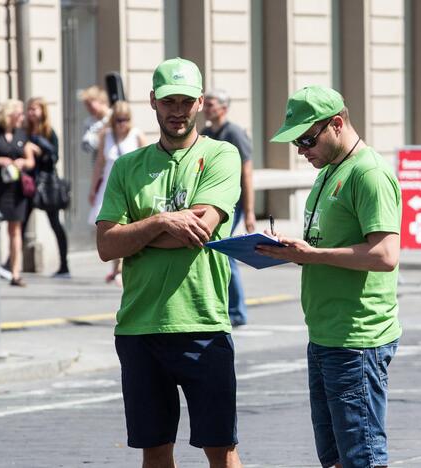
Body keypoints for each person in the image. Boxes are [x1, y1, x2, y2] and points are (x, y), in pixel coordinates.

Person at [95, 57, 243, 467]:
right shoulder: (128, 166)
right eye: (168, 101)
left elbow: (201, 229)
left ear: (200, 103)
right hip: (139, 327)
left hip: (203, 323)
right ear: (153, 103)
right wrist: (161, 221)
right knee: (155, 451)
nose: (176, 110)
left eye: (185, 101)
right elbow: (106, 245)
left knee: (222, 451)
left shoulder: (220, 155)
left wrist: (137, 235)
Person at [259, 85, 401, 468]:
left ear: (336, 125)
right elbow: (326, 244)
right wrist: (294, 250)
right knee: (336, 459)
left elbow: (386, 255)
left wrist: (313, 254)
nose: (302, 151)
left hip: (356, 339)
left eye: (307, 139)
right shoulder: (328, 172)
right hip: (325, 335)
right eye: (296, 143)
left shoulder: (368, 173)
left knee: (362, 458)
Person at [201, 89, 254, 327]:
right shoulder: (205, 133)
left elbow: (247, 173)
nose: (207, 108)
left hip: (233, 202)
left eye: (211, 104)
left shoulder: (234, 133)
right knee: (212, 250)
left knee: (225, 251)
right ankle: (219, 305)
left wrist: (250, 212)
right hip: (212, 199)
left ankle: (236, 311)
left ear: (223, 108)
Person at [88, 101, 145, 285]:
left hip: (131, 187)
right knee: (109, 226)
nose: (122, 124)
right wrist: (93, 187)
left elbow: (149, 162)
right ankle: (116, 266)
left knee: (126, 223)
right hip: (109, 185)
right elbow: (99, 163)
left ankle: (120, 267)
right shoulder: (107, 135)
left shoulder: (137, 136)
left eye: (126, 119)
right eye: (119, 120)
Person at [22, 97, 70, 278]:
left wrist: (39, 148)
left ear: (42, 111)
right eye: (29, 109)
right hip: (28, 184)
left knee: (55, 224)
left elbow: (54, 157)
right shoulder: (24, 132)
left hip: (46, 186)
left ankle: (64, 265)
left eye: (34, 109)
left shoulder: (49, 132)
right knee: (20, 223)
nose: (31, 113)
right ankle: (9, 265)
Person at [0, 99, 34, 287]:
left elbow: (30, 161)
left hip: (16, 189)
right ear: (9, 114)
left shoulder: (21, 135)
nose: (22, 117)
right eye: (19, 113)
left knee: (15, 231)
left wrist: (22, 163)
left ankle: (15, 272)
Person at [79, 85, 111, 160]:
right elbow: (87, 146)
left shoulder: (114, 116)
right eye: (86, 105)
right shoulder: (89, 123)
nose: (88, 108)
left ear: (99, 101)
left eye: (89, 104)